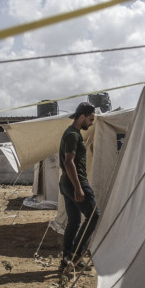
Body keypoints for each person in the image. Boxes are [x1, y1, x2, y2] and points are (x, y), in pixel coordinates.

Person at [58, 101, 100, 272]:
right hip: (75, 182)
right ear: (82, 117)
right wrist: (78, 187)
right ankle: (75, 255)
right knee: (94, 216)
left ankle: (66, 259)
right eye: (90, 119)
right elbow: (69, 162)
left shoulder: (72, 133)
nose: (91, 123)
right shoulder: (73, 135)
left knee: (74, 221)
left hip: (67, 183)